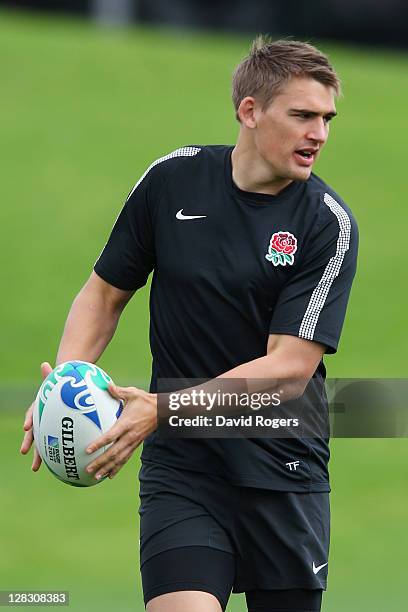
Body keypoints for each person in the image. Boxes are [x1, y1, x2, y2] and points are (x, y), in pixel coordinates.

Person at [21, 37, 358, 612]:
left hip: (283, 471)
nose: (319, 134)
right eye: (302, 115)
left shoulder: (326, 223)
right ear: (249, 111)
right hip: (185, 469)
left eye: (326, 118)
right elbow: (104, 294)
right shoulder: (172, 180)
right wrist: (67, 385)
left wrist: (163, 408)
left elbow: (289, 370)